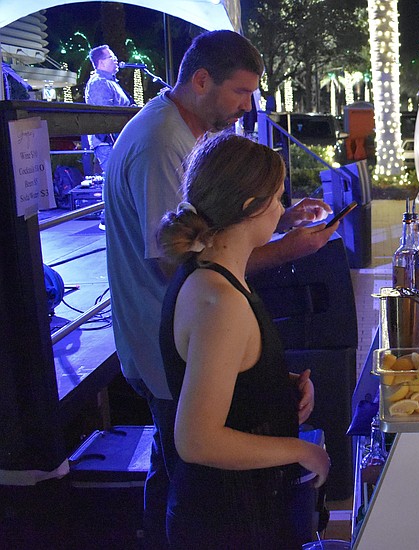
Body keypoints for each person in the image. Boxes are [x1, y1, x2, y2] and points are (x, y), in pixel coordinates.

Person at [104, 30, 337, 549]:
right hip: (221, 505)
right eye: (239, 93)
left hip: (178, 345)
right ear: (201, 79)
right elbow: (199, 440)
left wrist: (276, 386)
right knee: (177, 482)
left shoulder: (215, 282)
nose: (246, 106)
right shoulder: (163, 144)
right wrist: (291, 248)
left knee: (176, 477)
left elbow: (211, 246)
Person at [157, 133, 329, 548]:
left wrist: (273, 382)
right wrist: (301, 451)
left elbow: (219, 372)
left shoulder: (210, 273)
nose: (283, 209)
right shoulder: (221, 302)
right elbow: (198, 440)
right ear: (251, 207)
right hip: (229, 521)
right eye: (279, 198)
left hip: (239, 509)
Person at [84, 45, 133, 172]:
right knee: (117, 178)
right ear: (101, 62)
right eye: (111, 57)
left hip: (116, 142)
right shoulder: (99, 82)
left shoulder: (110, 82)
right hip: (108, 144)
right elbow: (104, 116)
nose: (116, 59)